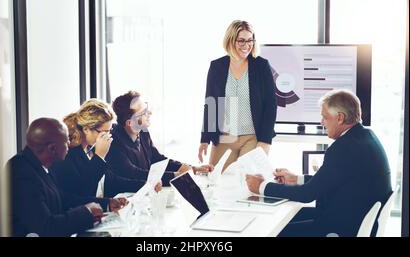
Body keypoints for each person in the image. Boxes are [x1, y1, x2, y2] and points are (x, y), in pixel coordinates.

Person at [245, 90, 392, 237]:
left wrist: (262, 187)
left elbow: (307, 195)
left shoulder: (343, 148)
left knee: (273, 230)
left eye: (324, 117)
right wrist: (296, 179)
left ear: (340, 118)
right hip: (352, 218)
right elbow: (331, 180)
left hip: (342, 228)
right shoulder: (365, 137)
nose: (321, 122)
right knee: (282, 219)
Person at [7, 118, 128, 236]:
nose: (70, 144)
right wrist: (87, 213)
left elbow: (63, 199)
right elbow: (47, 228)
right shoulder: (21, 172)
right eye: (66, 141)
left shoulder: (39, 164)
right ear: (52, 148)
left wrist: (106, 203)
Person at [198, 20, 277, 173]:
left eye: (250, 40)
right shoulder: (217, 67)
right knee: (217, 182)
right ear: (230, 40)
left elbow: (270, 105)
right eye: (241, 40)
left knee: (247, 185)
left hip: (252, 137)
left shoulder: (261, 66)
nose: (246, 45)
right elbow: (211, 104)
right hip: (225, 137)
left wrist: (265, 141)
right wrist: (204, 139)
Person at [51, 99, 159, 198]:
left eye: (109, 131)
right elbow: (83, 191)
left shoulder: (90, 149)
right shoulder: (67, 155)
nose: (109, 136)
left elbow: (111, 182)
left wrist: (146, 184)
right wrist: (99, 157)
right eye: (104, 132)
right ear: (86, 129)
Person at [106, 91, 213, 188]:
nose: (150, 113)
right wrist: (176, 175)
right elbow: (134, 173)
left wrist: (192, 169)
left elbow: (157, 159)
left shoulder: (143, 131)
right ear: (130, 123)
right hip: (124, 199)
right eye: (144, 112)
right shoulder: (113, 142)